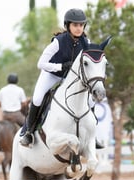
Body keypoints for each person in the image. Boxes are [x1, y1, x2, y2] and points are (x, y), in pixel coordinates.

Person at [20, 8, 89, 146]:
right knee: (38, 98)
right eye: (75, 25)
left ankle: (90, 134)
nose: (78, 28)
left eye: (81, 25)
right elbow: (41, 63)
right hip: (51, 74)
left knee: (90, 100)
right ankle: (28, 132)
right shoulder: (58, 41)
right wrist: (60, 66)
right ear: (67, 26)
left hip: (69, 78)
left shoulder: (86, 42)